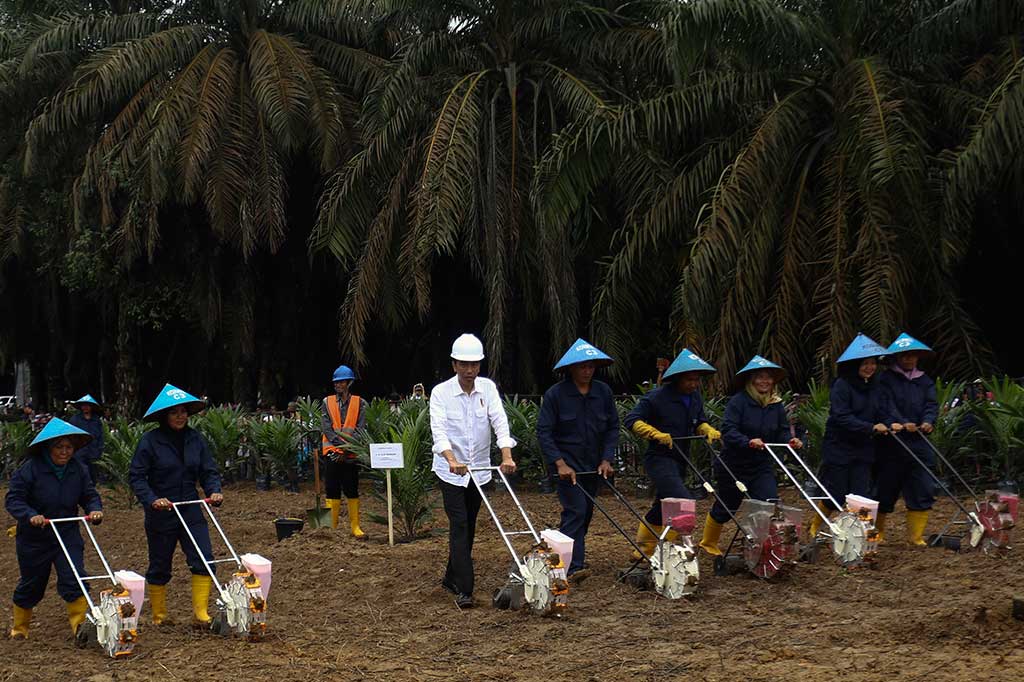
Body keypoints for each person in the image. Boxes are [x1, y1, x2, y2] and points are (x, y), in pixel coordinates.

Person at [430, 333, 516, 608]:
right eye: (464, 365)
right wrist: (451, 459)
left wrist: (506, 455)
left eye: (475, 365)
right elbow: (439, 431)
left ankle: (450, 577)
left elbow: (499, 421)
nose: (470, 370)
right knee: (460, 525)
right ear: (454, 365)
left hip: (479, 471)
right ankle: (465, 589)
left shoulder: (487, 389)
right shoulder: (441, 393)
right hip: (450, 472)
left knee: (469, 526)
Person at [130, 384, 222, 626]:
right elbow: (137, 476)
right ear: (164, 416)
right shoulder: (150, 442)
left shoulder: (196, 440)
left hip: (190, 506)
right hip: (162, 510)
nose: (180, 416)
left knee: (204, 557)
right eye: (174, 412)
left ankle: (200, 613)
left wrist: (214, 491)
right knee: (160, 564)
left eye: (183, 412)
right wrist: (152, 500)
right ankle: (160, 615)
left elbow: (208, 470)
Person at [6, 418, 103, 639]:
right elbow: (14, 500)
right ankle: (20, 629)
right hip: (35, 537)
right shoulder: (29, 470)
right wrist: (31, 516)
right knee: (32, 583)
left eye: (69, 447)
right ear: (48, 448)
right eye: (59, 447)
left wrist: (95, 510)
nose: (64, 452)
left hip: (67, 532)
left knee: (75, 577)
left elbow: (89, 494)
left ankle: (80, 629)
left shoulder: (78, 469)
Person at [700, 355, 804, 555]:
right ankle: (708, 542)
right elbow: (728, 430)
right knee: (727, 506)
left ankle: (757, 546)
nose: (765, 381)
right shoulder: (739, 402)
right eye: (760, 377)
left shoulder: (775, 405)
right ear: (751, 380)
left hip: (761, 464)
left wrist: (790, 441)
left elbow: (782, 430)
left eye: (768, 378)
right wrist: (748, 441)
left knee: (767, 502)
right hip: (734, 463)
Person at [624, 349, 720, 556]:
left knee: (662, 505)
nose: (694, 384)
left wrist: (706, 429)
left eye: (696, 380)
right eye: (689, 380)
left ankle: (646, 548)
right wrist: (654, 433)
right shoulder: (657, 397)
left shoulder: (694, 397)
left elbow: (698, 420)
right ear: (677, 378)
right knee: (681, 500)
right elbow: (632, 419)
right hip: (659, 458)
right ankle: (679, 549)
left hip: (680, 458)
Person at [536, 339, 618, 582]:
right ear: (571, 369)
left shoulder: (603, 392)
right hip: (567, 466)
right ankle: (571, 566)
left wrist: (607, 459)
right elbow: (544, 432)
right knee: (576, 511)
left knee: (586, 512)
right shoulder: (556, 395)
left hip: (593, 465)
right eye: (582, 367)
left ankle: (559, 552)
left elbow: (613, 427)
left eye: (591, 366)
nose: (587, 371)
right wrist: (559, 463)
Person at [809, 334, 889, 538]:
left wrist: (889, 424)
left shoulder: (875, 386)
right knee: (836, 492)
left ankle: (861, 535)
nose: (869, 367)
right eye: (865, 364)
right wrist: (871, 427)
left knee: (861, 494)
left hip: (863, 447)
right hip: (839, 446)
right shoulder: (842, 385)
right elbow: (841, 417)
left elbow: (880, 411)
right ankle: (815, 526)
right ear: (854, 365)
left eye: (872, 363)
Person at [874, 333, 938, 545]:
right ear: (896, 358)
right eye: (904, 356)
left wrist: (928, 421)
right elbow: (884, 406)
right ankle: (877, 533)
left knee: (922, 485)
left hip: (920, 440)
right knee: (885, 487)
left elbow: (931, 404)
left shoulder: (924, 380)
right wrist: (901, 422)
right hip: (892, 442)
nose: (909, 360)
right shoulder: (885, 379)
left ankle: (915, 537)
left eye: (912, 356)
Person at [320, 365, 367, 537]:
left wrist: (347, 448)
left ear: (349, 383)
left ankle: (355, 527)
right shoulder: (327, 402)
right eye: (336, 382)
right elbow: (326, 428)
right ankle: (330, 528)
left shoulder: (360, 403)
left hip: (350, 454)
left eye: (341, 382)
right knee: (331, 488)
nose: (338, 385)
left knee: (351, 488)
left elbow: (361, 428)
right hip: (332, 452)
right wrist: (339, 447)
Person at [68, 394, 104, 483]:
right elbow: (70, 435)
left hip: (94, 451)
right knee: (81, 473)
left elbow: (100, 435)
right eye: (83, 405)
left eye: (88, 405)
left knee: (93, 474)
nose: (85, 407)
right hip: (79, 451)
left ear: (91, 407)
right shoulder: (75, 419)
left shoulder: (96, 420)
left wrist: (100, 449)